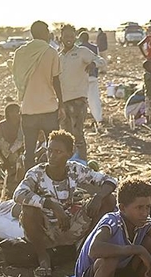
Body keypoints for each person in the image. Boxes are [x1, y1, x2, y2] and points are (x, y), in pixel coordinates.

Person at [13, 130, 117, 277]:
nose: (52, 155)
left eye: (58, 152)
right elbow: (18, 194)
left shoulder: (74, 169)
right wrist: (51, 204)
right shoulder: (37, 173)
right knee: (28, 209)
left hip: (70, 224)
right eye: (50, 150)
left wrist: (98, 197)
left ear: (70, 153)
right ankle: (43, 258)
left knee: (109, 200)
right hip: (46, 229)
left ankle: (84, 248)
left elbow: (110, 180)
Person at [13, 20, 63, 169]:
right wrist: (61, 104)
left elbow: (16, 78)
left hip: (28, 109)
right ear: (43, 33)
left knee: (29, 151)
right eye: (47, 31)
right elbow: (56, 80)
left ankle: (30, 178)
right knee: (54, 150)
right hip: (49, 108)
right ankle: (52, 177)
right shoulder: (51, 52)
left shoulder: (20, 53)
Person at [58, 25, 104, 161]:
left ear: (75, 38)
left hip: (78, 100)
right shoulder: (59, 56)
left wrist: (93, 64)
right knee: (65, 136)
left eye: (71, 36)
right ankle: (68, 163)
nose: (69, 39)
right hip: (63, 101)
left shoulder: (81, 52)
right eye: (66, 36)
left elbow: (101, 60)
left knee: (77, 134)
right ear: (61, 37)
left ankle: (82, 163)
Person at [0, 102, 24, 190]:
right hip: (6, 151)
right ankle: (6, 163)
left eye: (16, 112)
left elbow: (21, 140)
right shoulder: (3, 124)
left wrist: (13, 149)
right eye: (11, 112)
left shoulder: (23, 124)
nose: (14, 114)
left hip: (18, 149)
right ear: (7, 113)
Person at [77, 31, 103, 125]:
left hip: (81, 78)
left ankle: (80, 119)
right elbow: (98, 61)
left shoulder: (78, 49)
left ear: (81, 39)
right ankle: (98, 118)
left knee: (80, 100)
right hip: (92, 76)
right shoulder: (95, 48)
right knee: (94, 98)